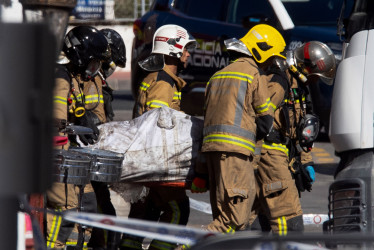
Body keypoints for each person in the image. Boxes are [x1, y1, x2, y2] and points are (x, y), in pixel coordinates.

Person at [192, 24, 283, 234]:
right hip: (236, 157)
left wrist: (201, 170)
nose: (270, 64)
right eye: (270, 59)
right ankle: (187, 246)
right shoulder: (253, 74)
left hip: (214, 157)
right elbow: (265, 120)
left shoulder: (216, 77)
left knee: (224, 219)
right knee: (233, 221)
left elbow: (207, 125)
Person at [120, 24, 197, 250]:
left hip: (146, 158)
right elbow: (157, 125)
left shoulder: (156, 77)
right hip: (158, 160)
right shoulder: (164, 83)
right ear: (173, 51)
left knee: (144, 212)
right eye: (185, 50)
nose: (188, 54)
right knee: (177, 210)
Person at [250, 41, 337, 235]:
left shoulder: (298, 88)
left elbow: (299, 129)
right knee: (290, 218)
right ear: (306, 67)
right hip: (270, 155)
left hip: (281, 155)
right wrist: (254, 160)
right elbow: (258, 119)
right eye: (315, 76)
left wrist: (305, 162)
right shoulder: (280, 82)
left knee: (260, 216)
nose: (315, 82)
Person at [45, 25, 111, 249]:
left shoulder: (73, 76)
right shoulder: (60, 78)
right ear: (80, 56)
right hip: (58, 156)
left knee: (88, 203)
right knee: (65, 207)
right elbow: (56, 124)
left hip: (73, 156)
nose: (94, 69)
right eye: (93, 62)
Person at [87, 28, 127, 250]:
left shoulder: (99, 82)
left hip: (97, 148)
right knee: (96, 202)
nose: (109, 71)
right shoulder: (89, 79)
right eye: (110, 65)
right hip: (87, 149)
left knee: (101, 201)